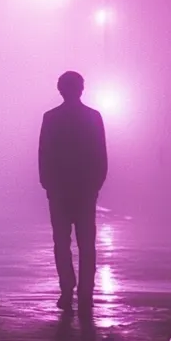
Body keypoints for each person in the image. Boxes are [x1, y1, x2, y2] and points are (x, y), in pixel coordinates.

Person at [38, 71, 108, 313]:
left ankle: (67, 290)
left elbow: (44, 154)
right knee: (86, 244)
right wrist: (95, 186)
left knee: (61, 242)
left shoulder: (51, 118)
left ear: (60, 89)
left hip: (60, 190)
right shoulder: (93, 117)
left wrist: (48, 184)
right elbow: (101, 155)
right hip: (84, 190)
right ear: (81, 89)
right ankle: (85, 294)